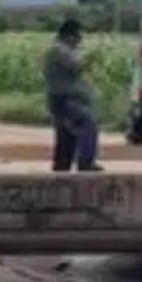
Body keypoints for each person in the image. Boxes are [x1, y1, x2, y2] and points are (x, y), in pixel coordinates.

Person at [44, 18, 102, 172]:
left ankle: (62, 168)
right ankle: (86, 163)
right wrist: (92, 58)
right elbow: (77, 67)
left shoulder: (59, 50)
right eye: (78, 35)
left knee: (66, 137)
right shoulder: (61, 50)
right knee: (89, 126)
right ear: (69, 35)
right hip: (67, 101)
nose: (80, 39)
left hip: (61, 101)